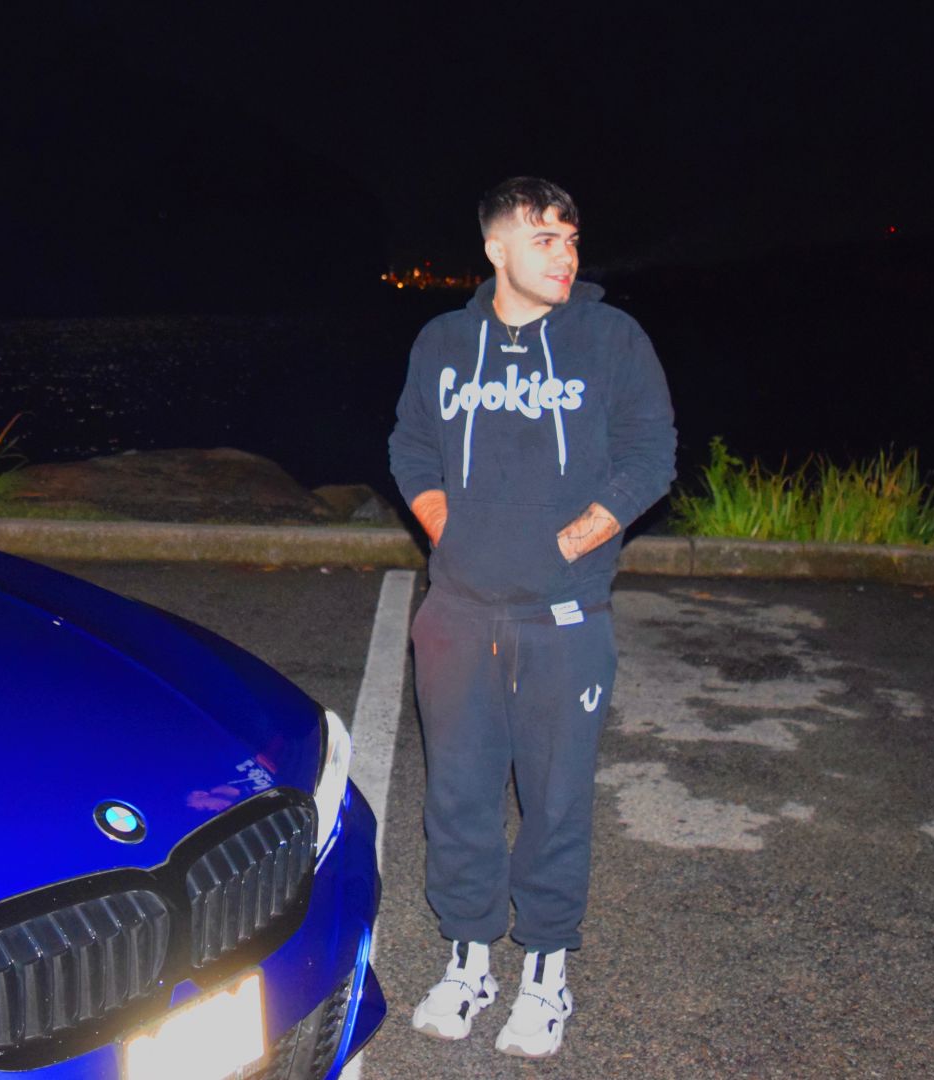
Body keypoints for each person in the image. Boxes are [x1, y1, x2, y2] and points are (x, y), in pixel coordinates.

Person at [387, 177, 676, 1058]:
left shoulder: (612, 339)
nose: (566, 256)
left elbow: (651, 455)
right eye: (545, 239)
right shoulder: (444, 341)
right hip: (458, 614)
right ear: (496, 249)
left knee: (555, 803)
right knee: (459, 797)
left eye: (572, 239)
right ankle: (468, 960)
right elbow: (411, 444)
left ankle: (546, 973)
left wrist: (571, 545)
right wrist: (450, 529)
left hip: (566, 617)